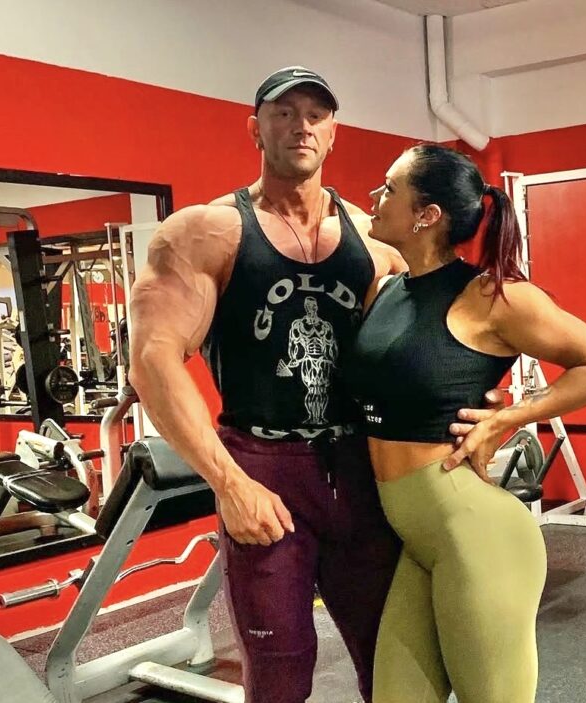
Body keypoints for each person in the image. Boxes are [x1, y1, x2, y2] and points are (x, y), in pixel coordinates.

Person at [128, 68, 501, 703]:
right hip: (264, 467)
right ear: (255, 129)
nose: (300, 126)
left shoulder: (377, 241)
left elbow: (435, 348)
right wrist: (230, 484)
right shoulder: (206, 233)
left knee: (396, 660)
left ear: (333, 133)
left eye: (315, 115)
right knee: (279, 668)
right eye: (283, 113)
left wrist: (486, 414)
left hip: (364, 465)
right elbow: (153, 362)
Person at [350, 143, 586, 703]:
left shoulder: (492, 296)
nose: (375, 197)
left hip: (476, 532)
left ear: (427, 215)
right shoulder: (386, 290)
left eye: (389, 189)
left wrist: (509, 416)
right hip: (418, 537)